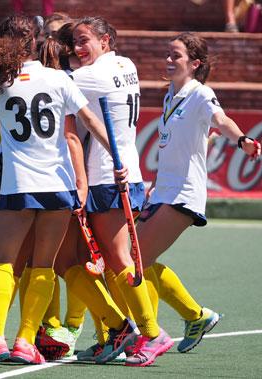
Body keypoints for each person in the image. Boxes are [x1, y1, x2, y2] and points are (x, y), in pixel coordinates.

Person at [0, 14, 139, 367]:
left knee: (4, 264)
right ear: (34, 43)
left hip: (18, 188)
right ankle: (25, 341)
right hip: (58, 189)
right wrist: (117, 158)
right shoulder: (59, 78)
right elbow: (88, 120)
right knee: (43, 265)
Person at [122, 31, 261, 358]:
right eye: (168, 55)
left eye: (176, 56)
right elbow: (172, 147)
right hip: (164, 190)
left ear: (195, 63)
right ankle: (196, 317)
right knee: (141, 259)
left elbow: (221, 120)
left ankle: (150, 336)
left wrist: (242, 141)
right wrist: (155, 184)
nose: (168, 61)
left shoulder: (201, 94)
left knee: (136, 260)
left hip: (184, 194)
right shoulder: (171, 95)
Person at [70, 16, 174, 367]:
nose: (78, 48)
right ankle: (133, 332)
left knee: (119, 260)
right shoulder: (125, 64)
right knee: (117, 260)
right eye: (73, 42)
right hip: (127, 169)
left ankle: (152, 332)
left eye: (84, 40)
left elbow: (53, 84)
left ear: (106, 40)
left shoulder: (88, 75)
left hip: (107, 174)